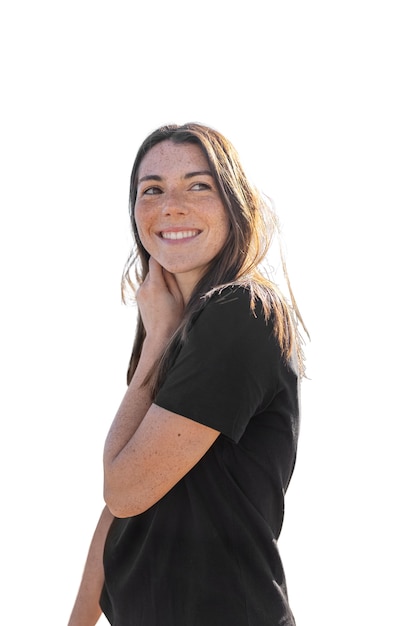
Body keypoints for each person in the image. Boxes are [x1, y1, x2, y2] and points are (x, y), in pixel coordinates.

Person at [68, 122, 308, 626]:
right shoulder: (185, 324)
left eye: (198, 185)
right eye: (151, 190)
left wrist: (157, 341)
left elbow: (123, 486)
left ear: (234, 203)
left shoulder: (240, 312)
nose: (171, 205)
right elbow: (119, 516)